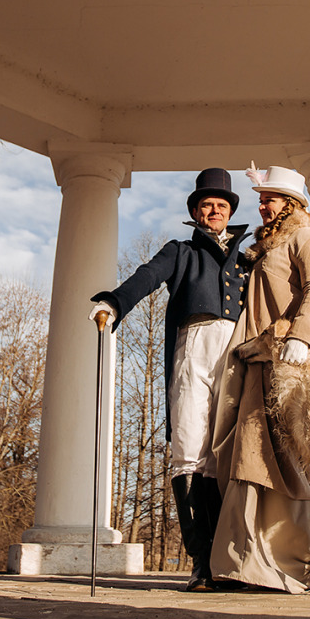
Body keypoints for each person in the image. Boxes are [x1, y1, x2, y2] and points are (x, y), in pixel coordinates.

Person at [89, 168, 250, 592]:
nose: (213, 211)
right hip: (193, 346)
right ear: (196, 213)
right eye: (206, 206)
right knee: (190, 446)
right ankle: (202, 561)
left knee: (228, 455)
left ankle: (228, 560)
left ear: (229, 212)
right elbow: (146, 276)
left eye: (221, 205)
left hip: (237, 353)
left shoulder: (248, 258)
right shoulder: (181, 251)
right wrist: (114, 301)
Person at [208, 164, 310, 593]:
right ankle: (246, 562)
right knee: (248, 455)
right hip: (253, 360)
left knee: (281, 458)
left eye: (269, 199)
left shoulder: (306, 238)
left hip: (286, 362)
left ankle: (297, 560)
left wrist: (301, 336)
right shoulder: (265, 246)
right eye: (261, 200)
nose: (262, 206)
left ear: (291, 203)